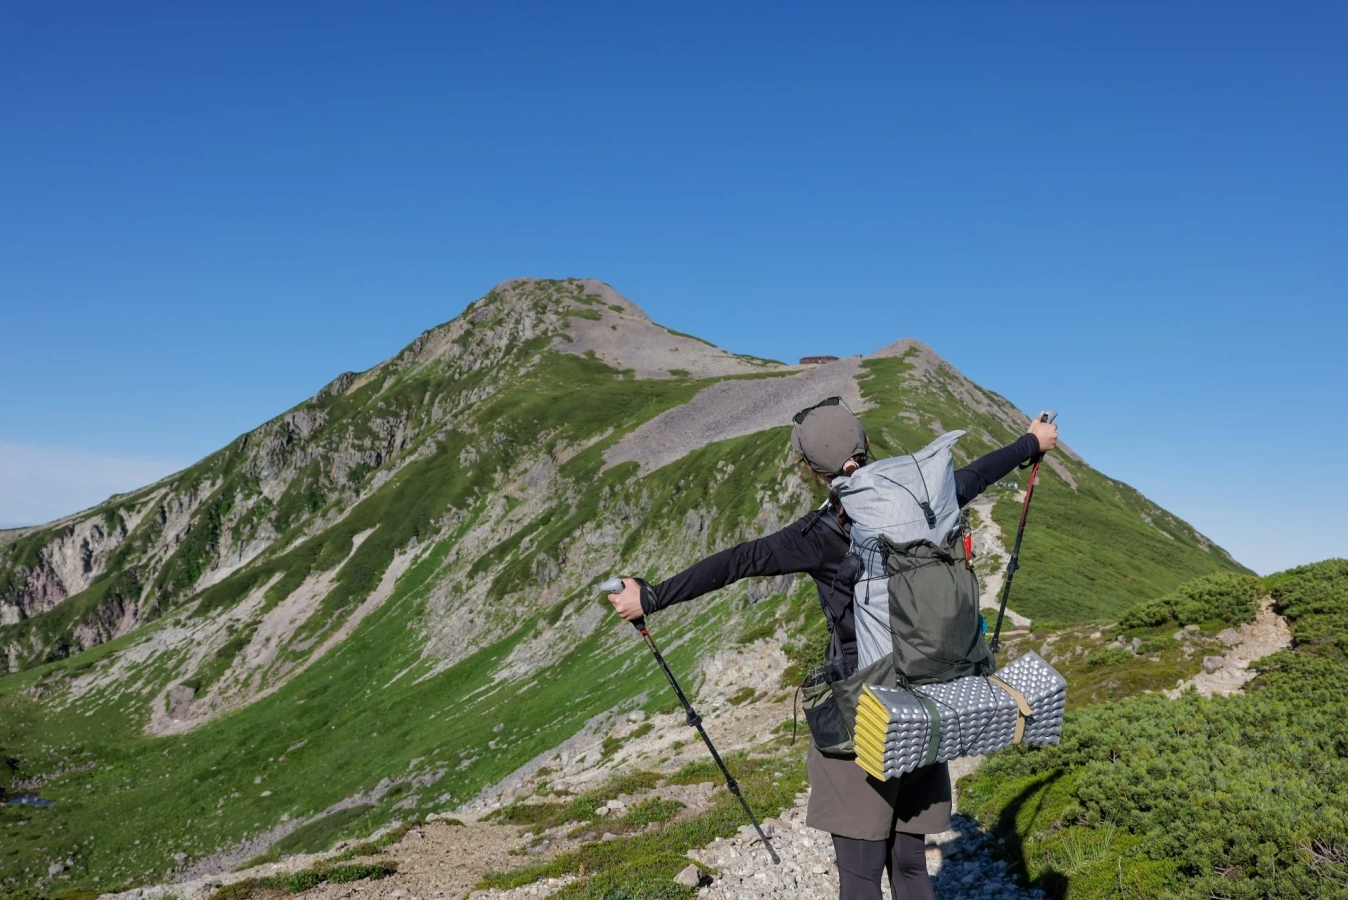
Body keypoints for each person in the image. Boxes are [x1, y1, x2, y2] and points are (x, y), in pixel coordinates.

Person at [608, 399, 1059, 900]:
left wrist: (650, 596)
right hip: (930, 701)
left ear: (811, 470)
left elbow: (742, 560)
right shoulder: (930, 496)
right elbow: (981, 471)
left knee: (861, 875)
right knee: (910, 865)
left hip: (863, 713)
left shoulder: (820, 533)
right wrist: (1031, 443)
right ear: (865, 444)